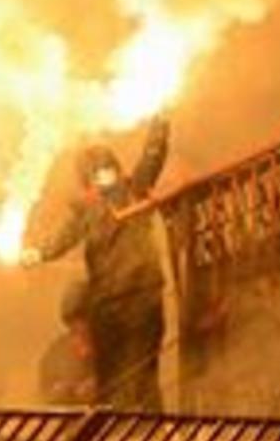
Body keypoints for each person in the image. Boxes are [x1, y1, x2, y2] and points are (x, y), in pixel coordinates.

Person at [21, 114, 170, 411]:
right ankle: (121, 431)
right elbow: (64, 237)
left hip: (141, 297)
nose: (104, 177)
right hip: (109, 303)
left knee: (142, 373)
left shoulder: (134, 190)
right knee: (112, 378)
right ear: (87, 180)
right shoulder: (86, 210)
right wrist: (39, 253)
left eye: (107, 169)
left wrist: (159, 129)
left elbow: (151, 159)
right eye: (97, 173)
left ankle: (150, 430)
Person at [38, 279, 96, 406]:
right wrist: (57, 392)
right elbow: (42, 393)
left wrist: (99, 387)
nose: (81, 326)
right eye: (74, 320)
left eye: (85, 317)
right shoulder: (56, 352)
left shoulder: (112, 348)